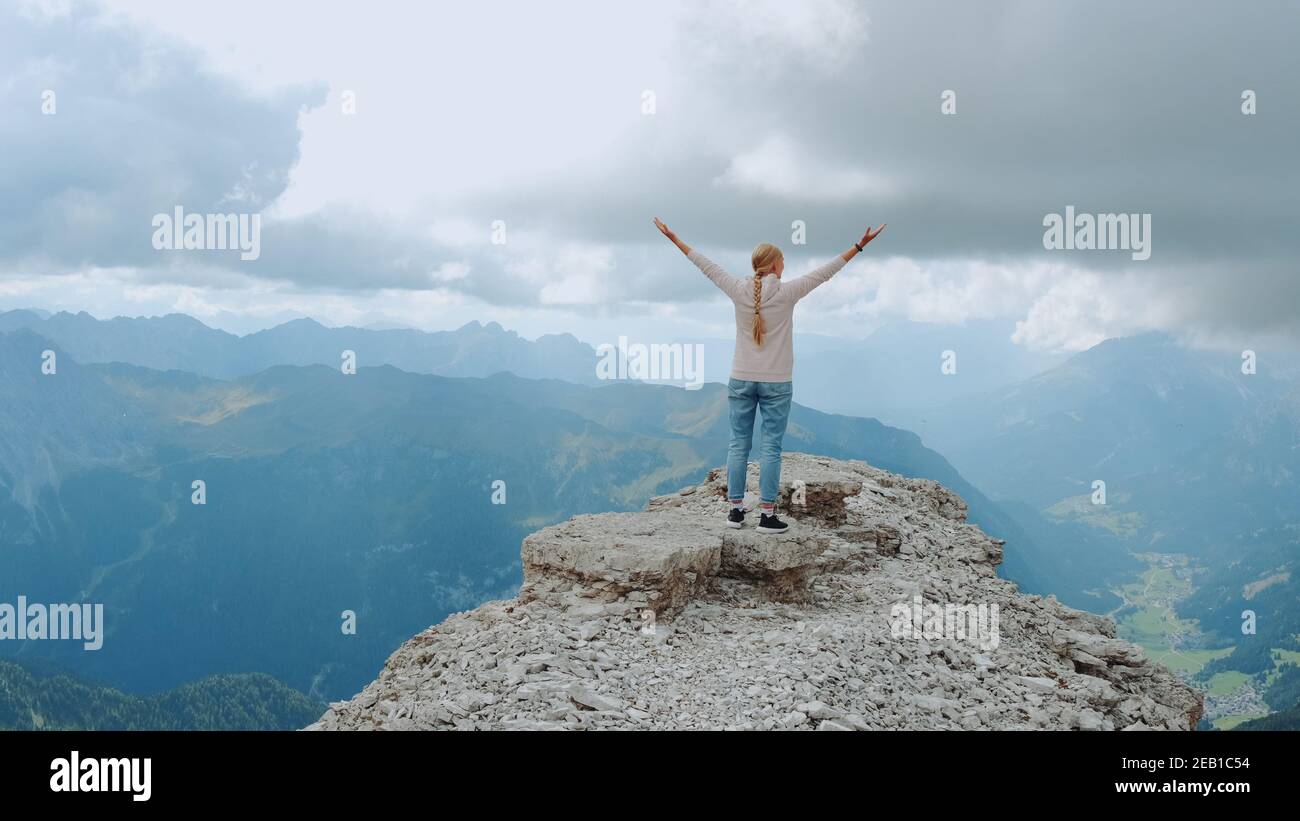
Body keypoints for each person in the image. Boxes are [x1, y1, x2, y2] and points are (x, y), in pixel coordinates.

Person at [653, 217, 885, 533]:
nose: (784, 265)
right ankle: (767, 515)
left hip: (741, 378)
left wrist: (674, 238)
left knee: (738, 444)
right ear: (775, 266)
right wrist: (859, 246)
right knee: (770, 448)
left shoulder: (737, 289)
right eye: (783, 261)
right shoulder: (788, 293)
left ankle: (735, 512)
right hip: (777, 381)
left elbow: (705, 265)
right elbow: (825, 273)